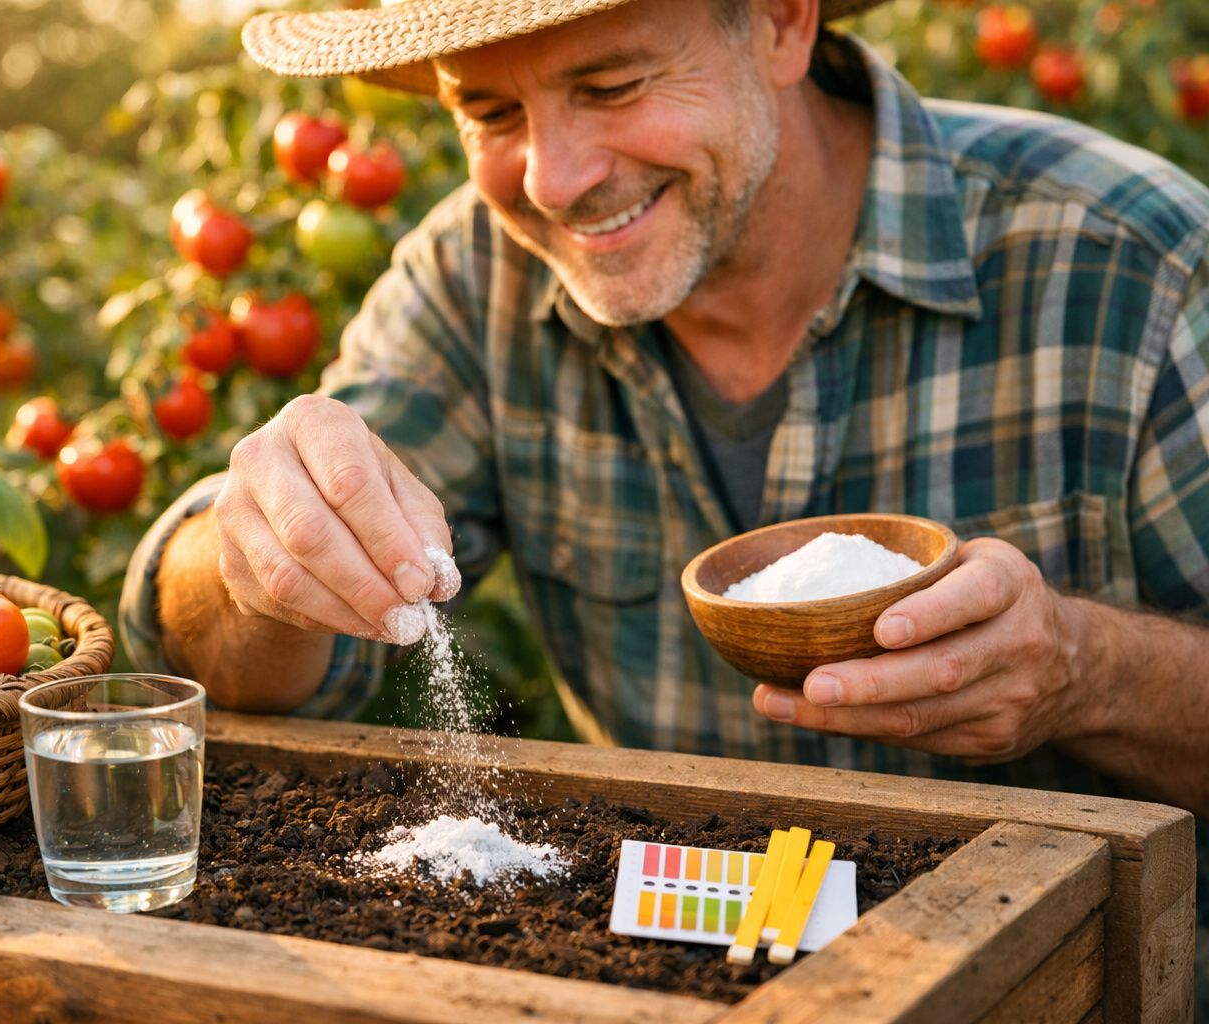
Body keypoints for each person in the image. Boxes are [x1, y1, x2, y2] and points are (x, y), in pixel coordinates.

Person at [120, 0, 1208, 1009]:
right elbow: (233, 663)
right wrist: (257, 555)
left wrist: (1085, 669)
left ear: (780, 22)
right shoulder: (472, 279)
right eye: (491, 110)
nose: (553, 177)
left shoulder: (1134, 268)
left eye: (612, 84)